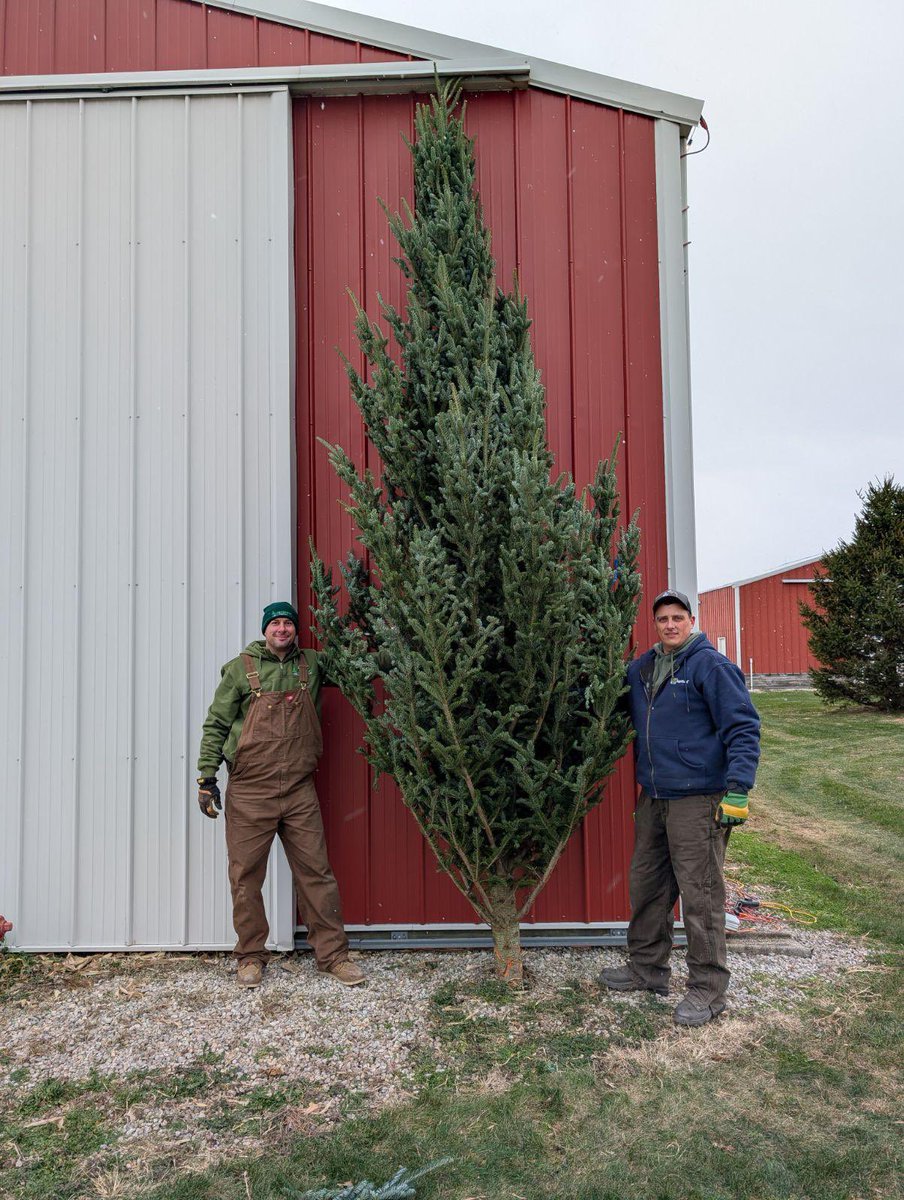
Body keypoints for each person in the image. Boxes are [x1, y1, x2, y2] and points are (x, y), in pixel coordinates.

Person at [600, 589, 760, 1026]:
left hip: (699, 798)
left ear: (691, 620)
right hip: (655, 795)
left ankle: (708, 989)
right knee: (647, 885)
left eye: (677, 617)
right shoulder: (643, 668)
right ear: (654, 624)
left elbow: (743, 727)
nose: (669, 625)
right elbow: (608, 700)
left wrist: (738, 789)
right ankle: (647, 969)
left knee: (701, 895)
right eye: (662, 619)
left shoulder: (710, 666)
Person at [197, 601, 365, 989]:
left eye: (287, 622)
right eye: (275, 623)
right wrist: (206, 778)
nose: (281, 629)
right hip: (250, 790)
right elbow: (216, 723)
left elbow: (358, 668)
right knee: (245, 877)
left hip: (298, 789)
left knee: (316, 873)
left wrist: (390, 640)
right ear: (265, 630)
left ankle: (333, 956)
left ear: (295, 629)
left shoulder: (313, 664)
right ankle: (250, 956)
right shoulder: (240, 669)